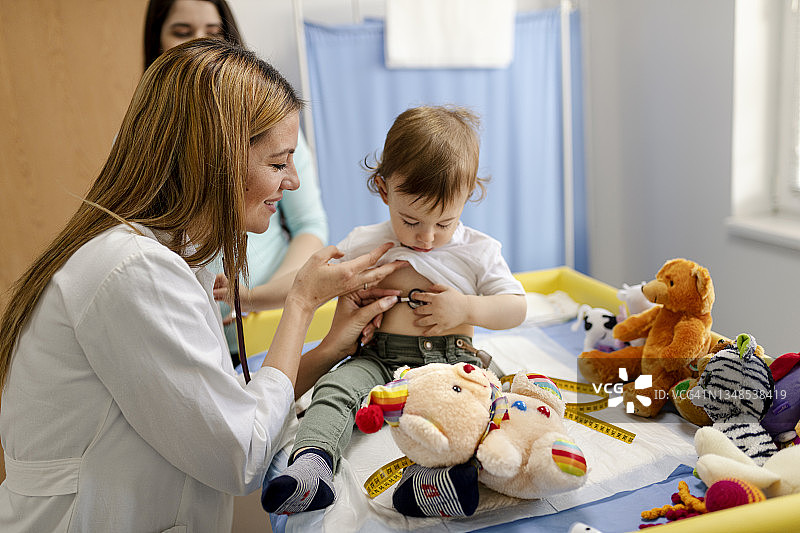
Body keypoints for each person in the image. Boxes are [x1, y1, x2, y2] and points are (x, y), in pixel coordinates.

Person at [0, 39, 406, 532]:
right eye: (278, 163)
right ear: (214, 157)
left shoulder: (166, 257)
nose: (293, 181)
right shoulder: (133, 272)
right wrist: (300, 301)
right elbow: (243, 455)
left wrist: (327, 351)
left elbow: (224, 409)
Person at [261, 105, 528, 516]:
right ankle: (312, 467)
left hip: (450, 363)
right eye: (411, 220)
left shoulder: (478, 251)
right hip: (377, 358)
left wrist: (465, 307)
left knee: (479, 410)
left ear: (468, 195)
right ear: (384, 190)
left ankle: (433, 483)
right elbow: (305, 281)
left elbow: (516, 308)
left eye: (444, 223)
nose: (425, 237)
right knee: (333, 391)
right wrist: (246, 298)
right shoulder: (367, 241)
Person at [144, 0, 330, 363]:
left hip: (266, 327)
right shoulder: (149, 144)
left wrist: (261, 296)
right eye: (182, 33)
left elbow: (310, 224)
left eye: (213, 33)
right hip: (197, 341)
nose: (200, 45)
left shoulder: (275, 122)